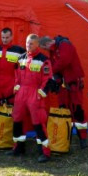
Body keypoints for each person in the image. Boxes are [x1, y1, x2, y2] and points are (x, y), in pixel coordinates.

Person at [10, 34, 53, 162]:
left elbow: (48, 79)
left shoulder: (44, 60)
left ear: (37, 45)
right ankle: (18, 148)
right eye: (27, 43)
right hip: (21, 93)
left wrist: (40, 94)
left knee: (38, 122)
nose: (28, 45)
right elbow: (16, 75)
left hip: (35, 93)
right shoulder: (21, 58)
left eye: (31, 43)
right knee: (17, 120)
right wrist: (17, 88)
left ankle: (45, 152)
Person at [41, 35, 88, 149]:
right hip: (63, 83)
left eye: (44, 48)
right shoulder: (54, 50)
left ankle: (83, 138)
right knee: (64, 109)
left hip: (73, 82)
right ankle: (66, 136)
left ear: (47, 44)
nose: (46, 50)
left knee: (77, 109)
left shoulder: (64, 45)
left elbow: (64, 61)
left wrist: (51, 72)